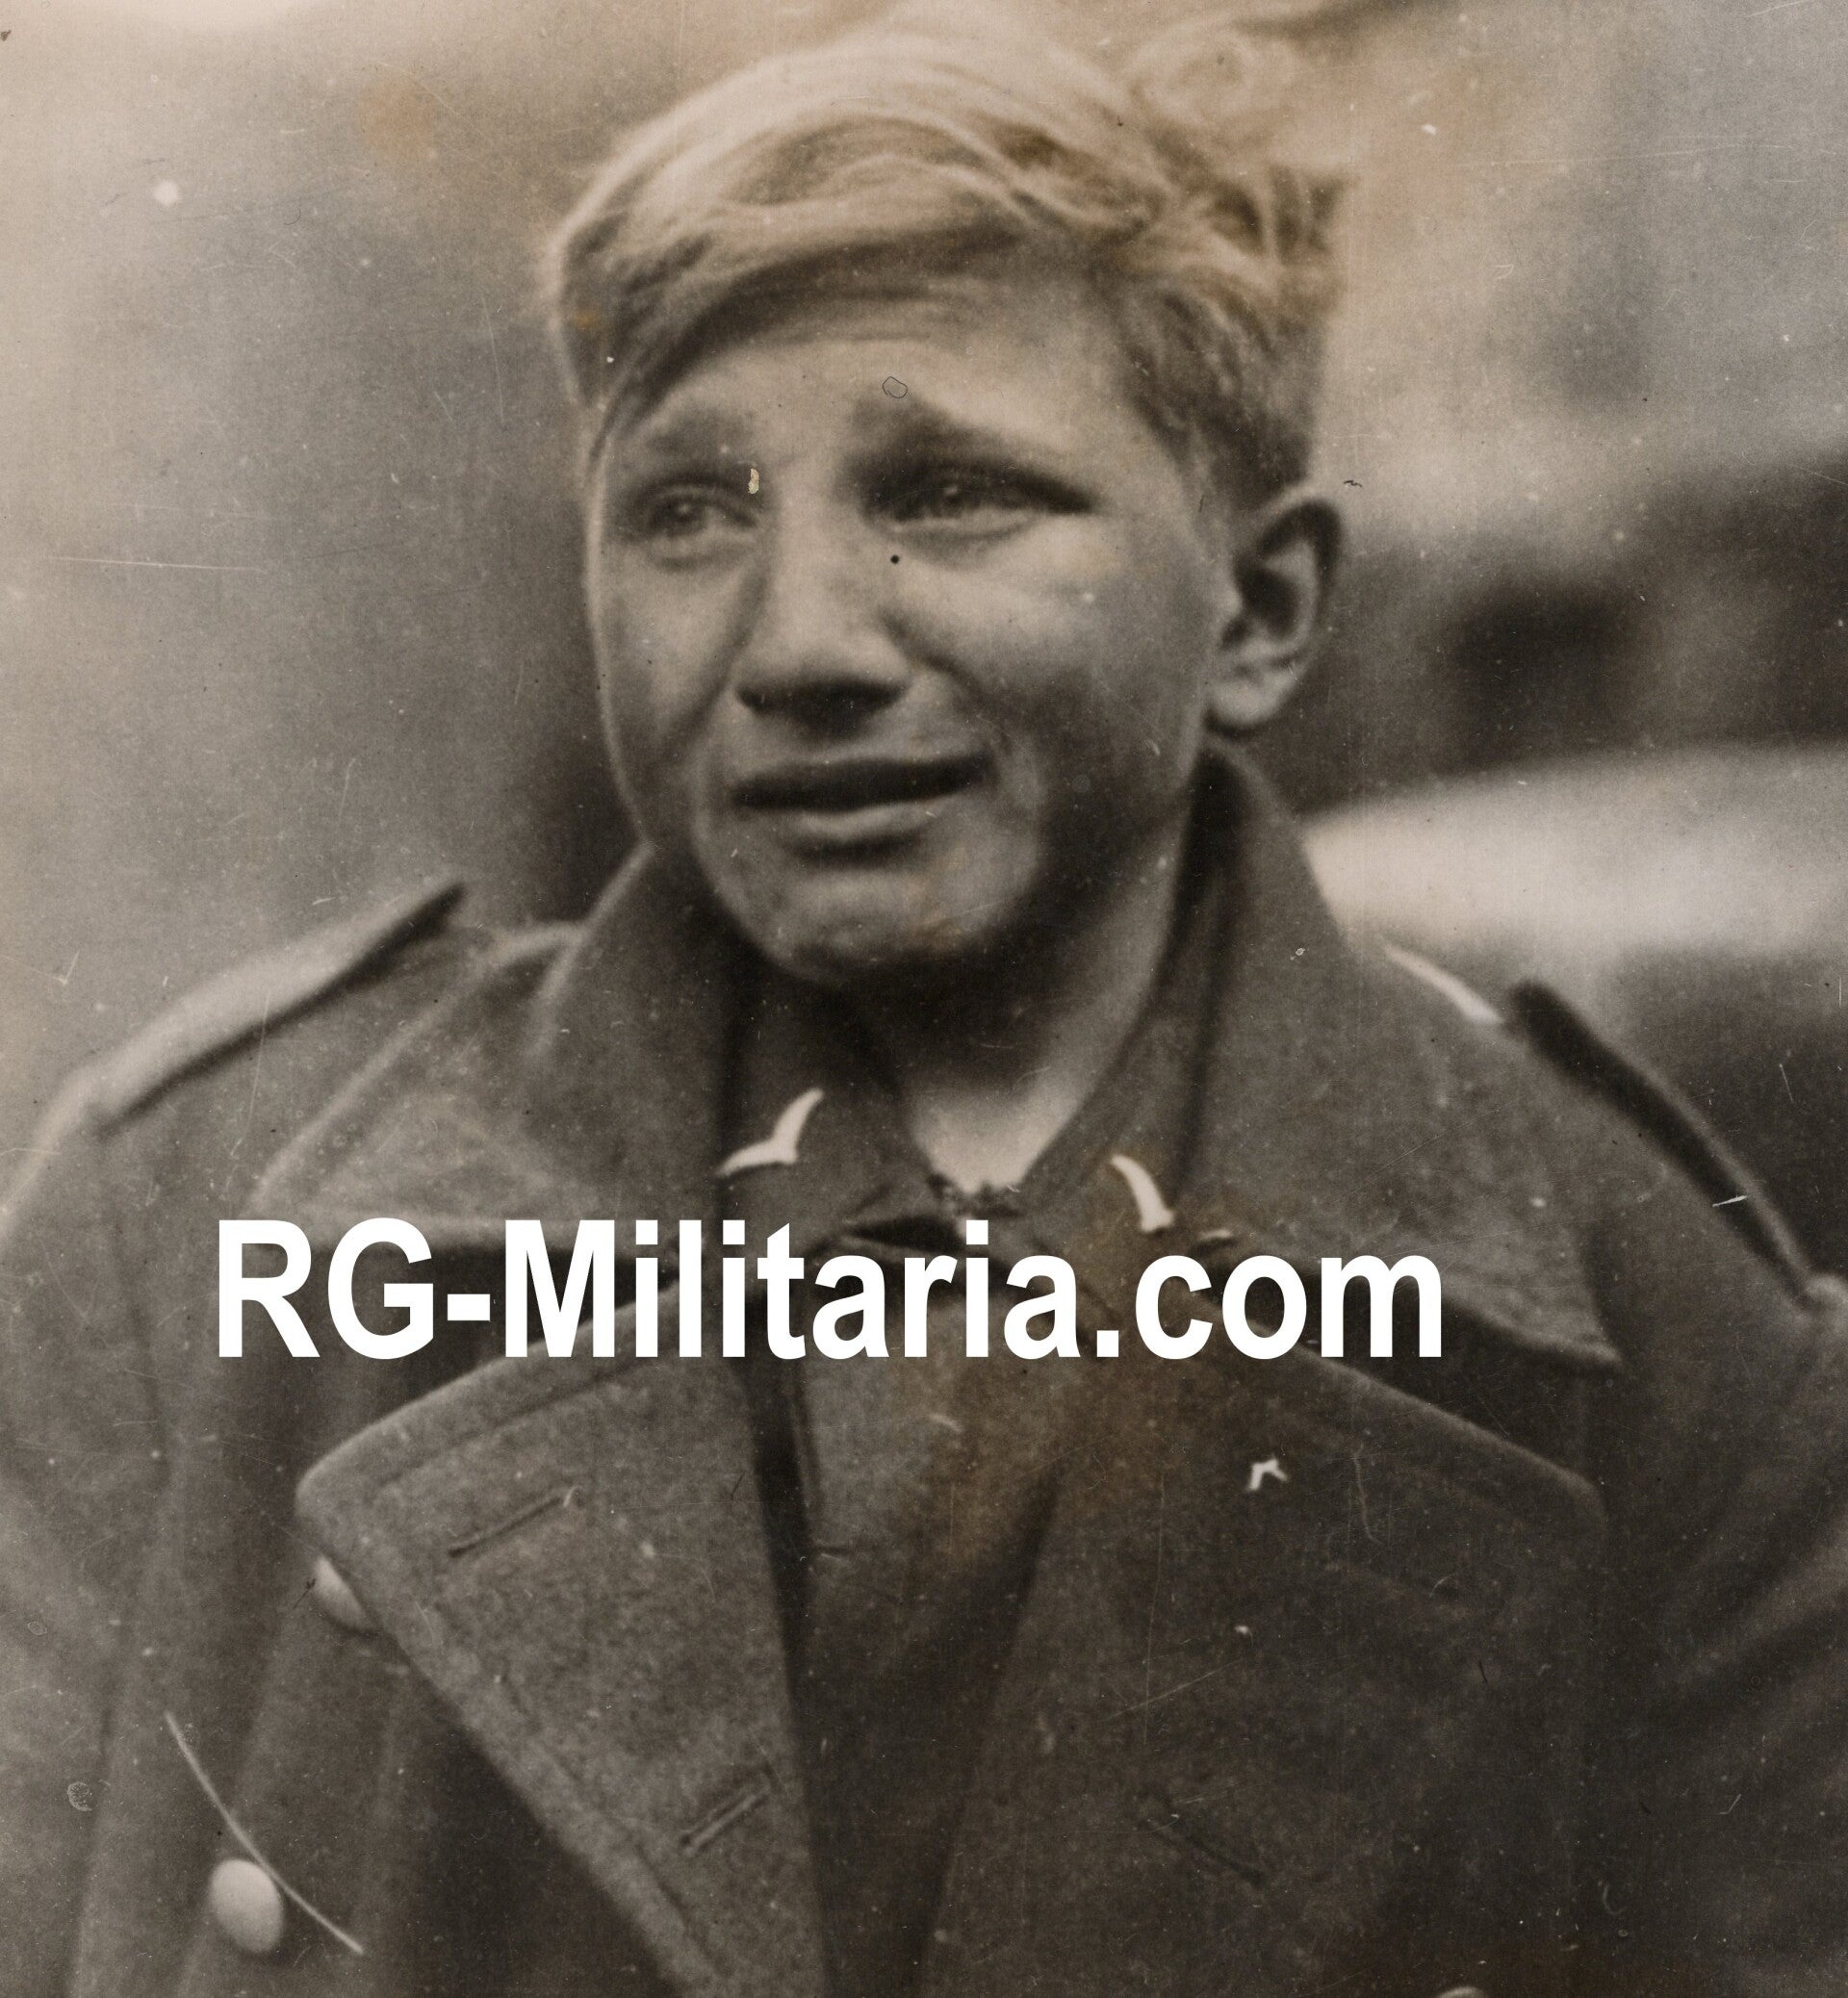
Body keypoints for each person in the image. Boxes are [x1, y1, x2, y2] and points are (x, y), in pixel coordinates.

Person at [3, 15, 1846, 1997]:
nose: (798, 641)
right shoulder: (190, 1216)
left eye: (954, 491)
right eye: (689, 509)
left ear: (1264, 609)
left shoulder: (1662, 1346)